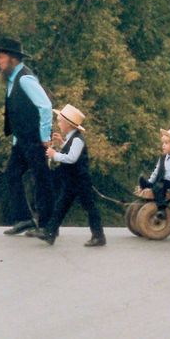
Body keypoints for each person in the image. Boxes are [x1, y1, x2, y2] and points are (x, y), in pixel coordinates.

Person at [0, 37, 55, 237]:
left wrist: (44, 137)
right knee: (12, 174)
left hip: (34, 139)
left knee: (41, 179)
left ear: (13, 59)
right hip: (21, 141)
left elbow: (45, 106)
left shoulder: (25, 78)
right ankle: (25, 219)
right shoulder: (11, 80)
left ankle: (47, 225)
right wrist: (16, 139)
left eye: (0, 57)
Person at [35, 105, 105, 247]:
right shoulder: (72, 138)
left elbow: (72, 158)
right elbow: (70, 151)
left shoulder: (78, 139)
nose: (59, 123)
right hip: (72, 181)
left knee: (89, 206)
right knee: (60, 206)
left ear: (68, 124)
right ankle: (50, 234)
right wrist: (62, 143)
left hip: (80, 181)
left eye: (60, 121)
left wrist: (55, 155)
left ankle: (99, 236)